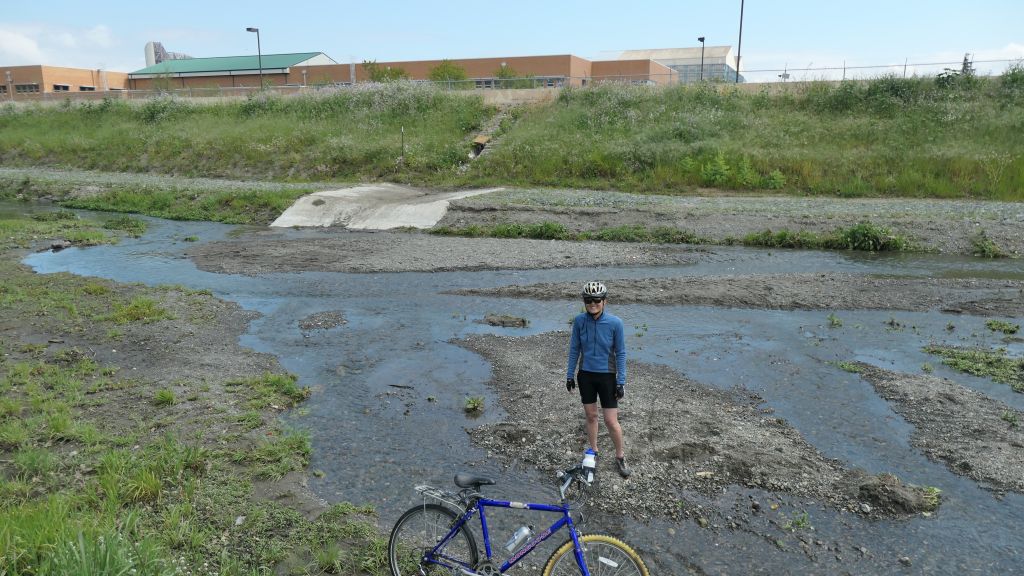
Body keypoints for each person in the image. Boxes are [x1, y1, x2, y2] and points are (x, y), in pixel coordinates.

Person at [565, 281, 630, 478]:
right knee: (591, 416)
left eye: (596, 300)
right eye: (588, 300)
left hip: (608, 377)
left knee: (611, 420)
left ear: (604, 301)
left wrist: (621, 381)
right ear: (584, 302)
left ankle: (620, 456)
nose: (592, 303)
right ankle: (594, 451)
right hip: (586, 375)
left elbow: (621, 353)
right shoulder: (579, 321)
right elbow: (575, 349)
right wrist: (569, 375)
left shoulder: (615, 323)